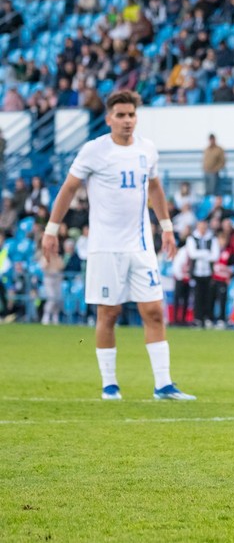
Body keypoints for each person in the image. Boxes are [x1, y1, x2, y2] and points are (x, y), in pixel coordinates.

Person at [42, 90, 195, 401]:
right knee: (108, 314)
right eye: (121, 115)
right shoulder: (94, 151)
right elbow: (69, 187)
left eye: (131, 115)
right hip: (105, 248)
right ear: (109, 118)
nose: (127, 121)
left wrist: (166, 228)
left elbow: (154, 187)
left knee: (154, 311)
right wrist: (51, 229)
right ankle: (110, 385)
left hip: (140, 247)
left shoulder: (147, 150)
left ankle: (163, 384)